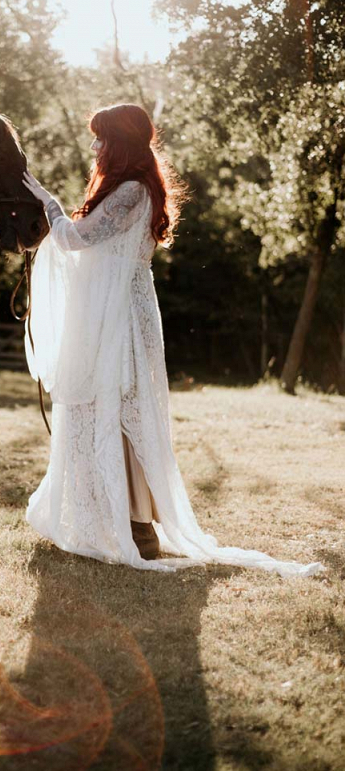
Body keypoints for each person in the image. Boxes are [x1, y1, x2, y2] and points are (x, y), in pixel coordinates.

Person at [21, 102, 324, 577]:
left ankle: (137, 526)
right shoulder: (129, 189)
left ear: (119, 143)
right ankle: (117, 518)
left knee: (120, 410)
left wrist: (47, 202)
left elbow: (77, 240)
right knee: (109, 409)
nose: (95, 146)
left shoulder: (130, 192)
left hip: (118, 318)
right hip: (118, 312)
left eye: (102, 138)